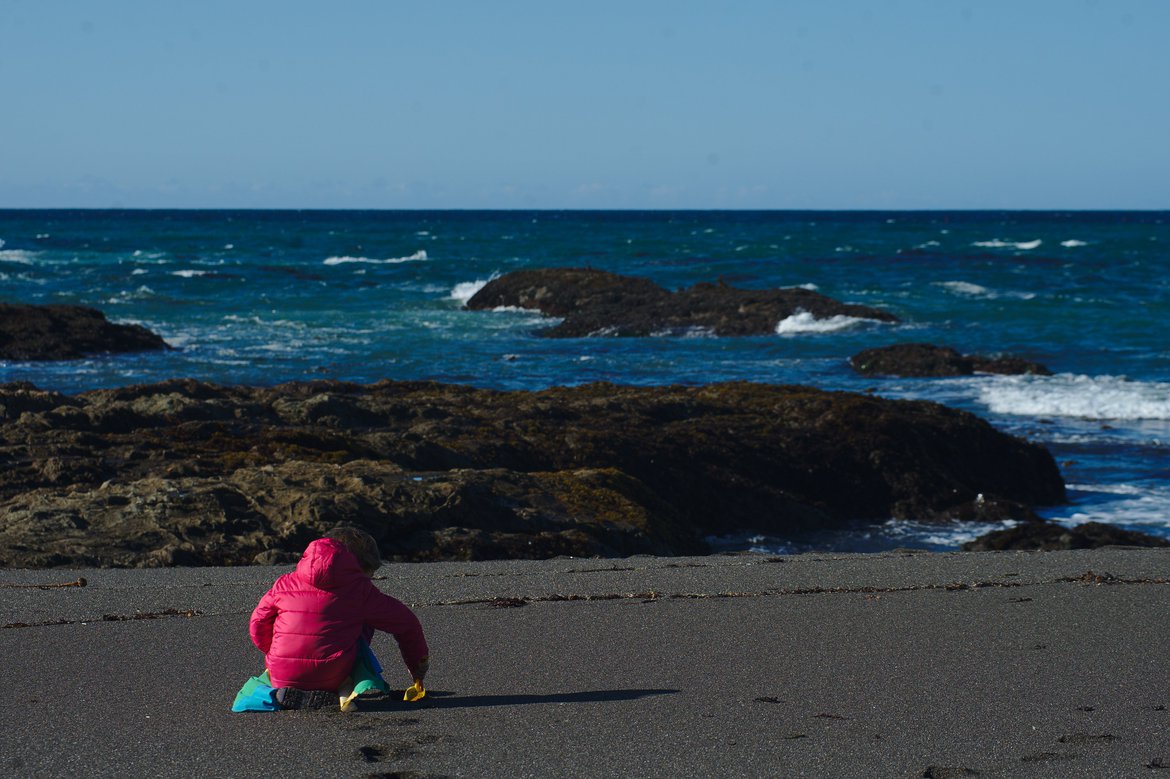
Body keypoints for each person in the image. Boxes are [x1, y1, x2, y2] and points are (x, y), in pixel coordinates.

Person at [248, 525, 429, 710]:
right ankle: (344, 691)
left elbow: (257, 623)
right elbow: (407, 623)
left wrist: (272, 650)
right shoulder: (360, 591)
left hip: (282, 672)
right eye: (370, 573)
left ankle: (281, 692)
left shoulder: (284, 583)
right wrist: (417, 663)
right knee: (361, 627)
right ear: (358, 566)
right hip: (332, 672)